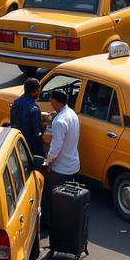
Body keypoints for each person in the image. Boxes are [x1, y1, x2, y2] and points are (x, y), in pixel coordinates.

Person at [41, 87, 79, 233]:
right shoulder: (72, 114)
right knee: (68, 200)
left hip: (60, 169)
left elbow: (56, 147)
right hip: (73, 166)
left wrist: (48, 162)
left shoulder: (59, 121)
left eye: (51, 99)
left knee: (49, 199)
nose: (50, 102)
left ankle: (49, 226)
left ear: (56, 101)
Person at [9, 77, 44, 157]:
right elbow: (36, 132)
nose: (39, 92)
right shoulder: (34, 108)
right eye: (39, 90)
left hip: (19, 144)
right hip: (31, 148)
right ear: (35, 91)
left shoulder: (16, 102)